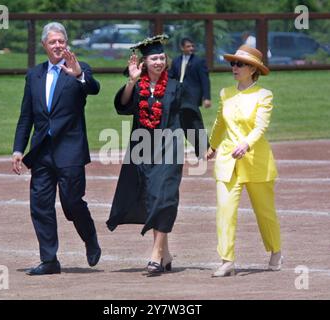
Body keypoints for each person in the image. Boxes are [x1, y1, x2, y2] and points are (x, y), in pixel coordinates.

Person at [106, 35, 208, 275]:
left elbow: (190, 117)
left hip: (170, 149)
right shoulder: (139, 86)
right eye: (154, 58)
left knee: (164, 197)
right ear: (144, 62)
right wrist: (131, 82)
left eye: (162, 57)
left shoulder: (176, 87)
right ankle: (166, 253)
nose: (159, 61)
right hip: (143, 150)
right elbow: (122, 107)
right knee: (153, 198)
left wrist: (202, 147)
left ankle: (154, 256)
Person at [12, 22, 101, 275]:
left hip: (70, 149)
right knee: (40, 205)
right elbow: (25, 116)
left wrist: (79, 75)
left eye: (61, 41)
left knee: (72, 203)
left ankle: (90, 237)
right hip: (41, 152)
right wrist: (18, 149)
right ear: (44, 46)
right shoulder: (34, 75)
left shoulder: (79, 68)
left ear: (67, 43)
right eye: (53, 42)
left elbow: (94, 89)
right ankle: (49, 260)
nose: (58, 45)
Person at [206, 44, 283, 277]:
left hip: (256, 161)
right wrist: (213, 145)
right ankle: (227, 260)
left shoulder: (264, 95)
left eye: (240, 64)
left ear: (253, 69)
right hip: (228, 162)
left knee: (265, 213)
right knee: (225, 211)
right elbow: (221, 123)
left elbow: (260, 126)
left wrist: (246, 143)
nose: (234, 67)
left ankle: (275, 251)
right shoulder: (225, 93)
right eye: (233, 63)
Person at [169, 37, 211, 109]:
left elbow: (205, 80)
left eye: (192, 46)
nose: (191, 48)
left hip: (192, 95)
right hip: (178, 94)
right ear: (182, 48)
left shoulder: (199, 61)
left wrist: (207, 98)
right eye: (188, 46)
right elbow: (170, 77)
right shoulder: (176, 61)